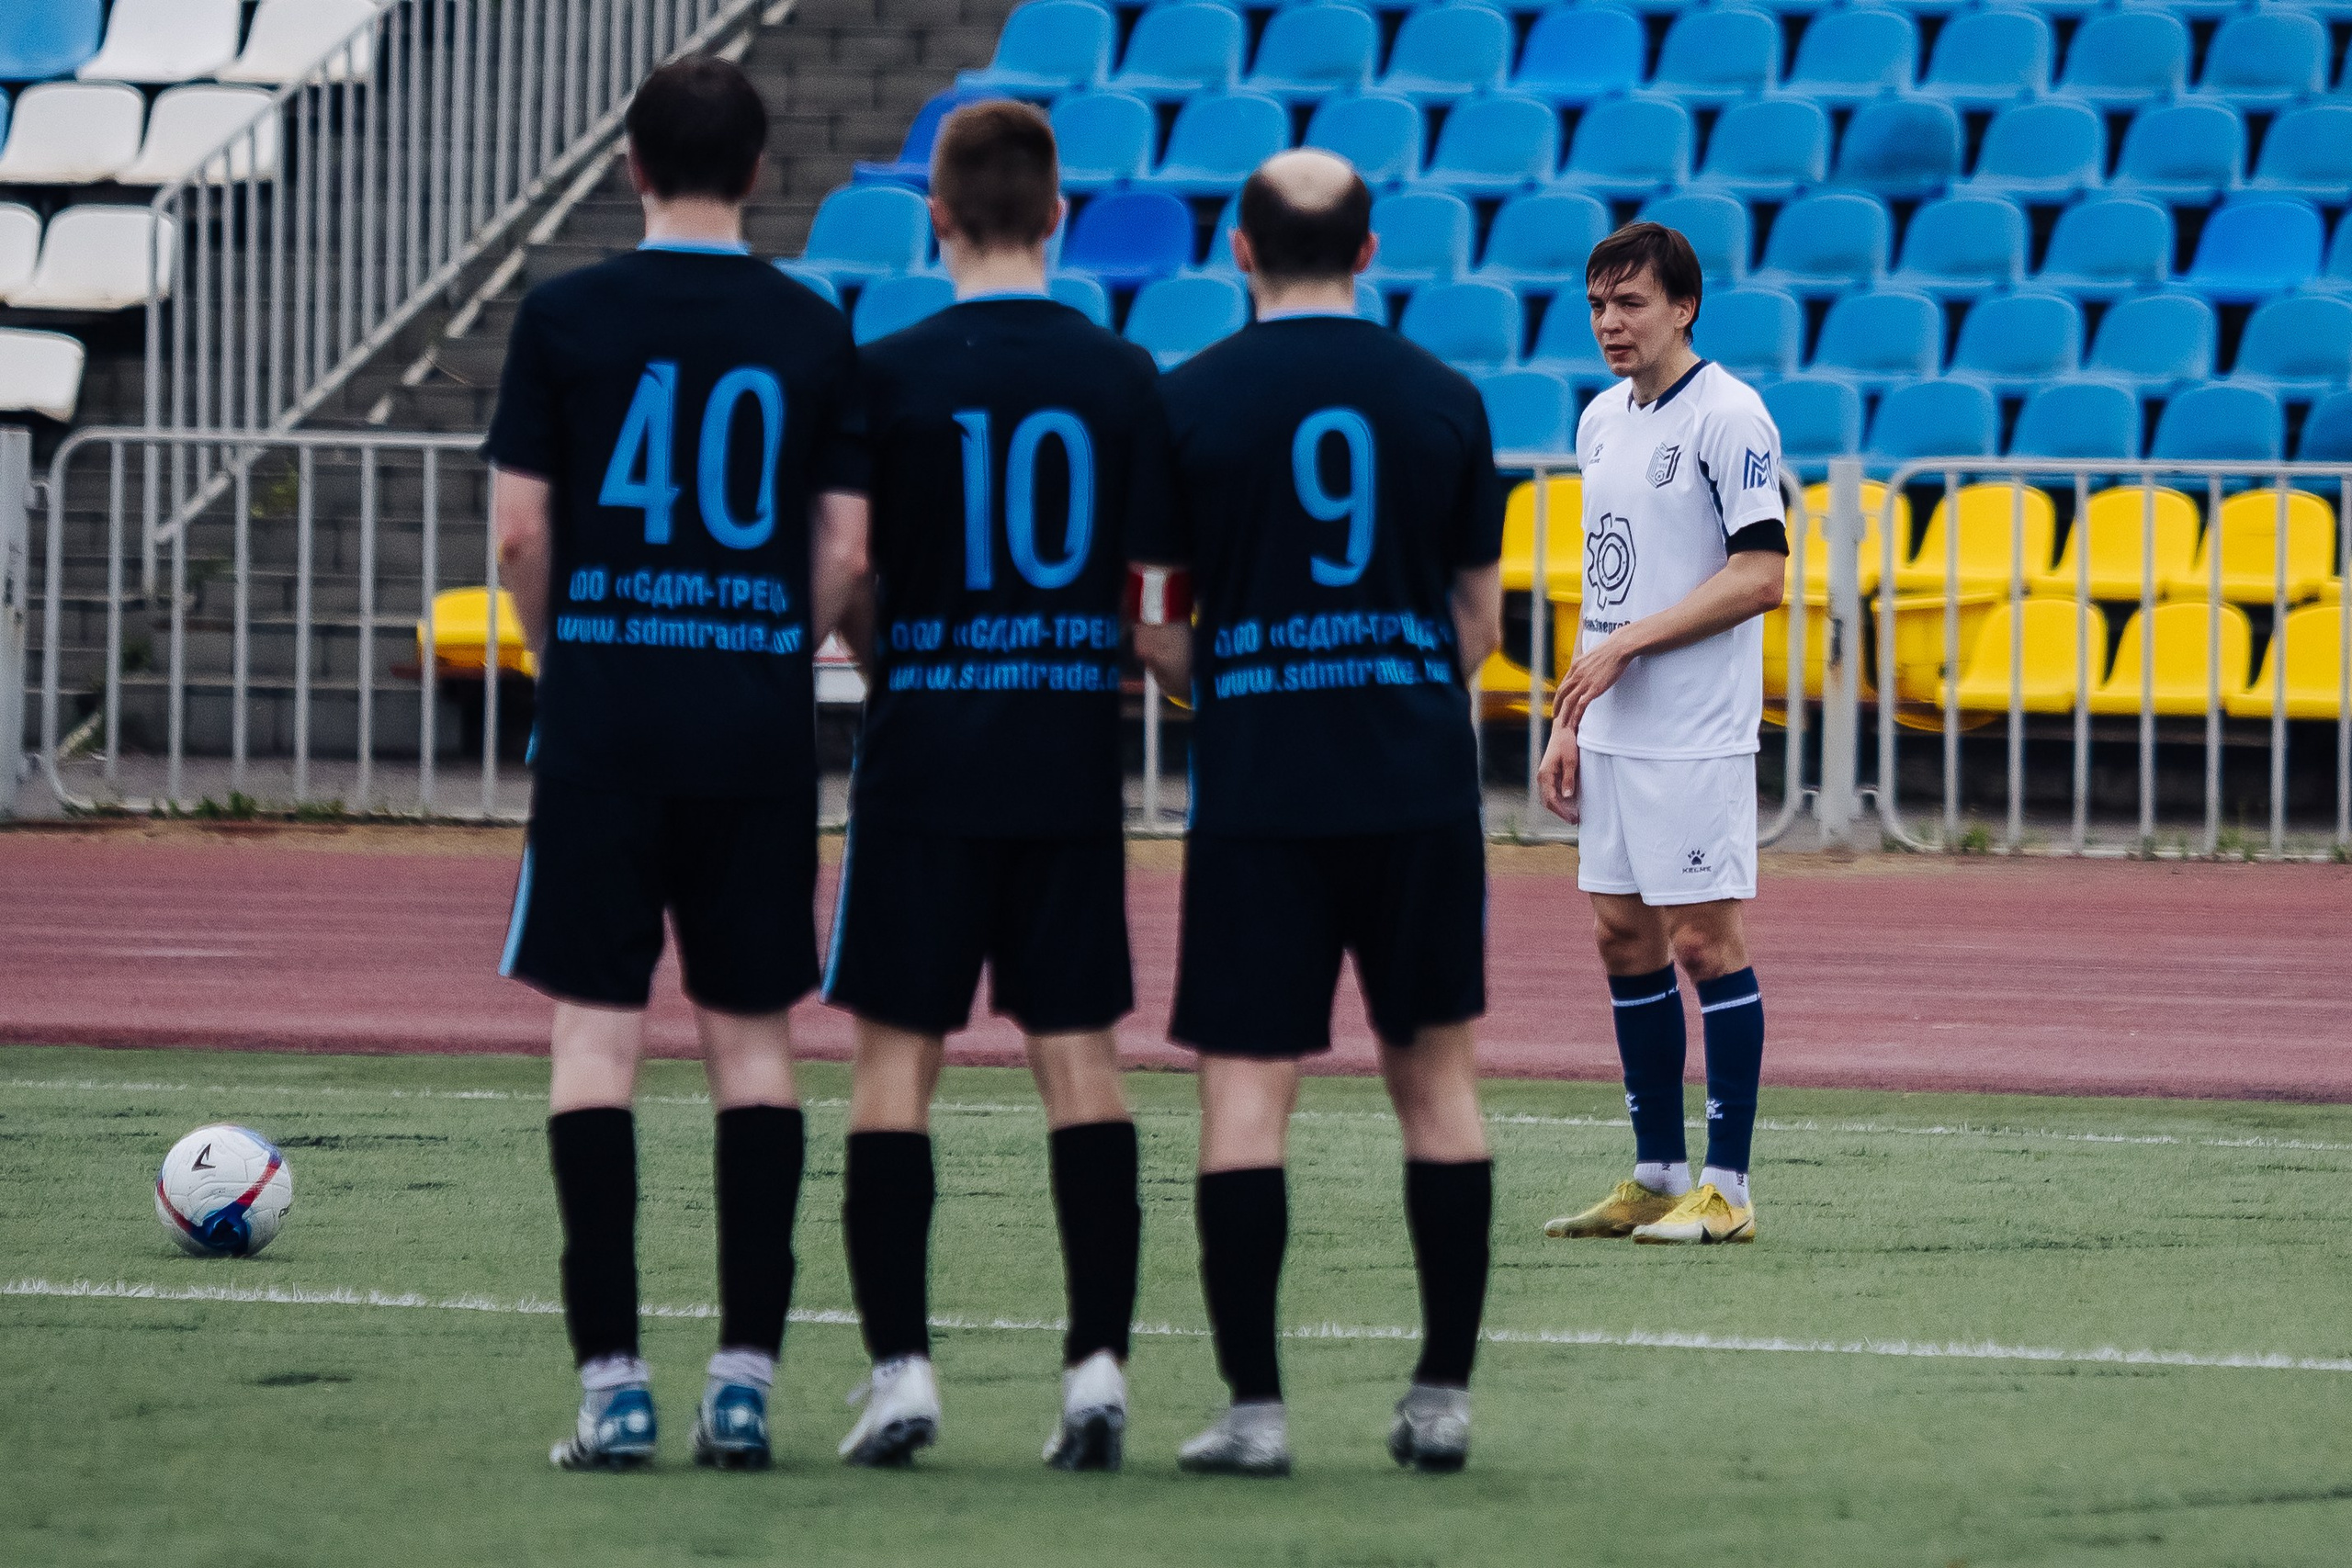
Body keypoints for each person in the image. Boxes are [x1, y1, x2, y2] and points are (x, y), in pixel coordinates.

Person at [482, 55, 869, 1472]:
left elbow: (523, 535)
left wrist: (566, 650)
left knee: (596, 1033)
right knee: (752, 1041)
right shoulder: (810, 327)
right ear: (759, 171)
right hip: (750, 725)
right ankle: (749, 1378)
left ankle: (613, 1384)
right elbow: (845, 550)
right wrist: (770, 647)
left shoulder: (566, 316)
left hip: (606, 720)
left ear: (631, 165)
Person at [1132, 148, 1505, 1477]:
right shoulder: (1446, 398)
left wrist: (1227, 684)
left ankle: (1257, 1409)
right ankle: (1442, 1394)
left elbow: (1159, 630)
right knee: (1437, 1082)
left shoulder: (1185, 402)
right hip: (1410, 782)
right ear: (1369, 250)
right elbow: (1477, 622)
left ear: (1239, 249)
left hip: (1261, 787)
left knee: (1246, 1093)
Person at [820, 101, 1170, 1473]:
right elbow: (1152, 599)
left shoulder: (884, 371)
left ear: (938, 219)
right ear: (1063, 217)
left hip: (925, 749)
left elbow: (847, 573)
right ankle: (1095, 1369)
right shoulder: (1124, 372)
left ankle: (902, 1371)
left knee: (892, 1065)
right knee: (1081, 1062)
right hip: (1067, 748)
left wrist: (885, 653)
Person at [1534, 221, 1787, 1247]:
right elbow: (1611, 583)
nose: (1609, 323)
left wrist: (1626, 647)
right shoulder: (1600, 420)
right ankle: (1653, 1173)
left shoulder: (1732, 416)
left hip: (1694, 731)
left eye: (1630, 303)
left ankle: (1726, 1189)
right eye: (1597, 304)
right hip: (1614, 730)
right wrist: (1569, 716)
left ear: (1682, 307)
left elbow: (1760, 575)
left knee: (1701, 942)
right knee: (1618, 935)